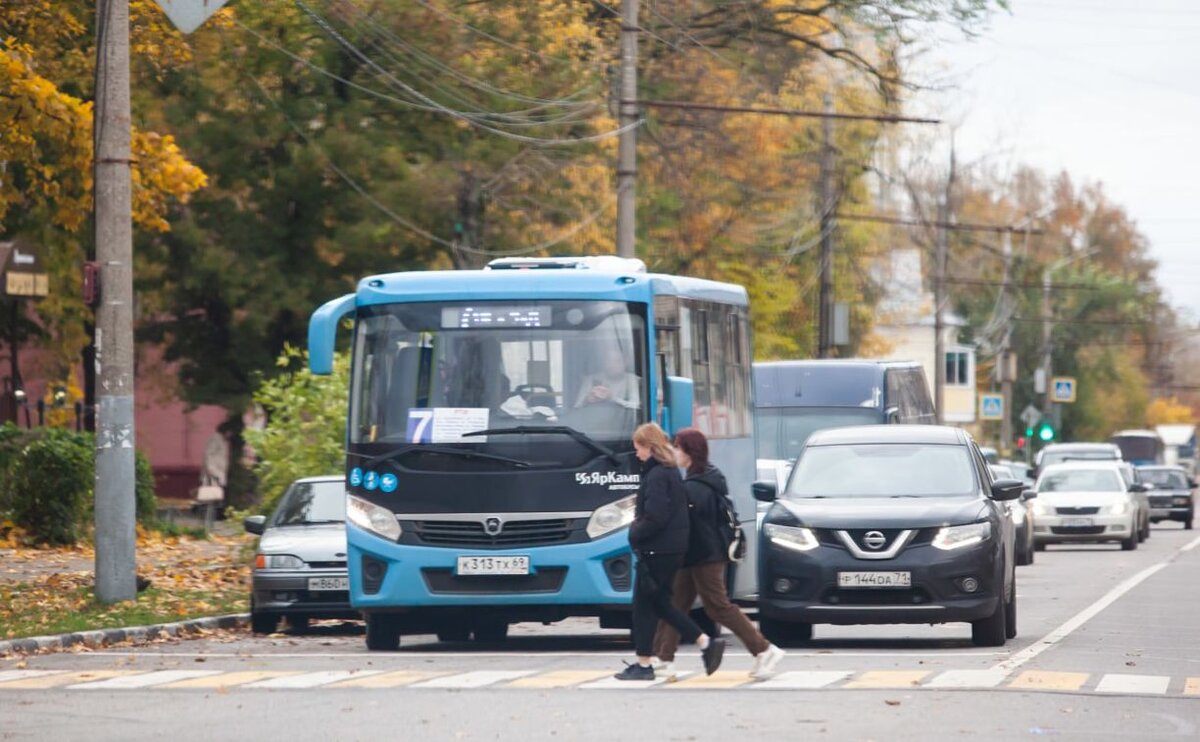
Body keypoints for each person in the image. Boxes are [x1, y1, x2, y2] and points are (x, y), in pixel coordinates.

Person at [652, 428, 786, 681]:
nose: (674, 452)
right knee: (675, 606)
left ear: (689, 452)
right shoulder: (705, 478)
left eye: (678, 447)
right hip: (697, 556)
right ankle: (662, 657)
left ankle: (765, 650)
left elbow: (690, 527)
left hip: (705, 557)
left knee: (718, 607)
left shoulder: (695, 487)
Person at [615, 423, 726, 681]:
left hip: (657, 550)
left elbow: (656, 516)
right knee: (660, 603)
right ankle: (704, 643)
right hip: (671, 550)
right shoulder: (670, 472)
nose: (637, 454)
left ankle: (644, 665)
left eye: (638, 449)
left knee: (644, 605)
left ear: (649, 447)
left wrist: (634, 532)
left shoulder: (656, 476)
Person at [575, 348, 640, 410]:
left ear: (625, 362)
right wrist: (587, 400)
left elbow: (636, 406)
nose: (612, 365)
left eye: (617, 361)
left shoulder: (633, 380)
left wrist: (612, 398)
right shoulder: (591, 379)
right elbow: (577, 408)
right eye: (608, 361)